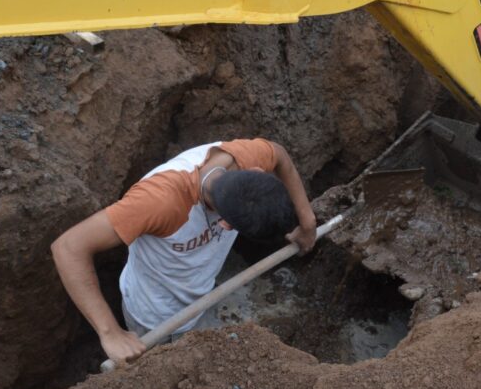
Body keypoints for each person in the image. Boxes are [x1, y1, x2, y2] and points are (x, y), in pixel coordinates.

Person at [51, 138, 317, 363]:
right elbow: (68, 247)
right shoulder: (158, 202)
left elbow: (279, 155)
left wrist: (307, 222)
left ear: (257, 171)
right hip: (151, 316)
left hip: (199, 300)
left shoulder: (245, 157)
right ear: (224, 224)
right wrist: (110, 333)